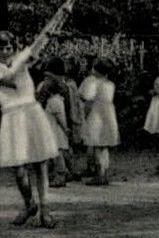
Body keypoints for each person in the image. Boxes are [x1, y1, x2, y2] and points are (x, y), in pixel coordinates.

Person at [0, 29, 61, 228]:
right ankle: (29, 204)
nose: (5, 51)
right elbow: (9, 79)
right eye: (0, 48)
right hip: (12, 116)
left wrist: (45, 37)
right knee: (19, 169)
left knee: (40, 163)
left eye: (8, 47)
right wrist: (25, 56)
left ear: (14, 48)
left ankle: (45, 209)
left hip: (32, 112)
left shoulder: (22, 60)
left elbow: (36, 48)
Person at [78, 57, 120, 186]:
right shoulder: (110, 84)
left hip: (97, 116)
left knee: (97, 146)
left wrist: (84, 116)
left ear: (96, 70)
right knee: (104, 147)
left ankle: (99, 175)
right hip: (108, 116)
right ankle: (104, 174)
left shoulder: (93, 84)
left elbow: (89, 102)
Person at [37, 59, 75, 187]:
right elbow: (68, 106)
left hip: (54, 123)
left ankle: (61, 173)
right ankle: (68, 171)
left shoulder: (47, 86)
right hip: (60, 121)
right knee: (63, 149)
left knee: (58, 150)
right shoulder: (65, 86)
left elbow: (40, 101)